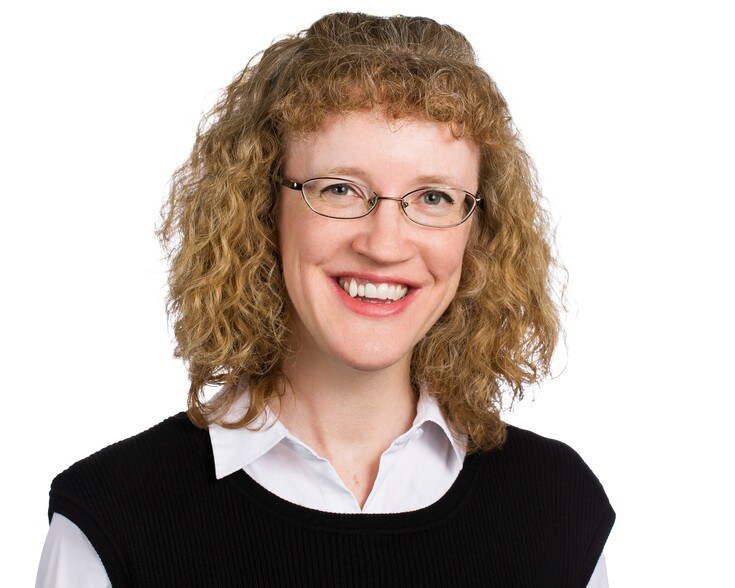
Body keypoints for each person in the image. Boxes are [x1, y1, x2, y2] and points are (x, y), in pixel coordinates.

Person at [37, 12, 614, 587]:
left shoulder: (558, 509)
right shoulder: (112, 522)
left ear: (477, 231)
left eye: (433, 197)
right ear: (261, 208)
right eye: (340, 189)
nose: (385, 245)